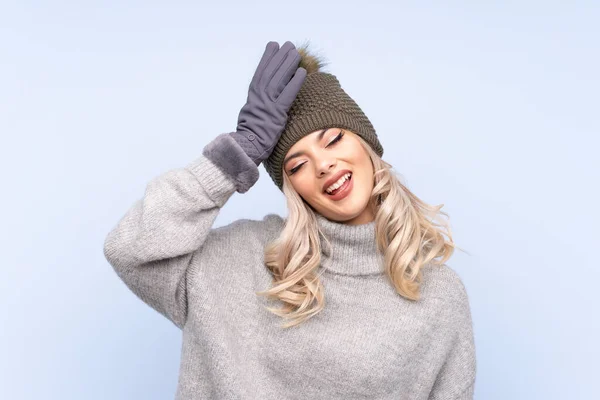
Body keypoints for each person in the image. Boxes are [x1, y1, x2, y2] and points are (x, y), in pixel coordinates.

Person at [103, 40, 476, 400]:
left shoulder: (439, 295)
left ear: (367, 144)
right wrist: (237, 154)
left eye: (333, 140)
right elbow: (130, 248)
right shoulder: (237, 259)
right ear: (290, 186)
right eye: (297, 164)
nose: (324, 165)